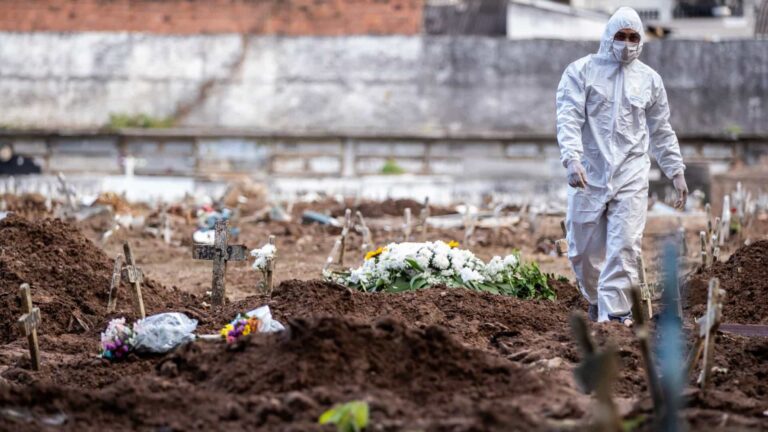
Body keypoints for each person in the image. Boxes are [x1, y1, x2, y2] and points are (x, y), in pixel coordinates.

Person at [555, 7, 688, 325]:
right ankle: (595, 298)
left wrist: (676, 171)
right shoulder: (581, 71)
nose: (627, 44)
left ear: (641, 40)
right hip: (590, 172)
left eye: (633, 38)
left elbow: (660, 130)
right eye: (621, 36)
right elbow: (568, 116)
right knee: (582, 249)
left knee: (625, 245)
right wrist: (572, 158)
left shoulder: (649, 80)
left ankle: (615, 315)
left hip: (631, 173)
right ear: (608, 37)